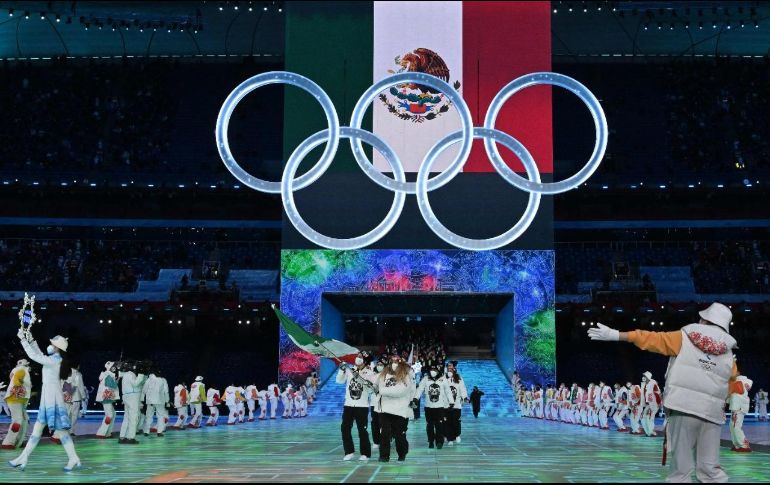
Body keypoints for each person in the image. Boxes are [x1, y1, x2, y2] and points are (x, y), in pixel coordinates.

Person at [588, 302, 738, 483]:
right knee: (710, 468)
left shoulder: (686, 337)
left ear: (704, 320)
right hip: (712, 414)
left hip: (684, 408)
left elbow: (651, 339)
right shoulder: (728, 353)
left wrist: (617, 335)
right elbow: (731, 384)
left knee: (681, 469)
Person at [8, 332, 80, 472]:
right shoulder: (53, 359)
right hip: (49, 397)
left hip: (52, 398)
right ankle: (23, 457)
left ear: (57, 348)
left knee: (57, 432)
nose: (50, 345)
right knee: (41, 430)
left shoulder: (55, 360)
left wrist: (23, 340)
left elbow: (35, 356)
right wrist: (30, 338)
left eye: (53, 344)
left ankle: (73, 458)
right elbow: (39, 353)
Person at [375, 357, 415, 462]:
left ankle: (402, 454)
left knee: (399, 434)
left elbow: (400, 391)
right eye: (392, 362)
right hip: (384, 409)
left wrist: (382, 391)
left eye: (396, 362)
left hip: (400, 410)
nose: (394, 364)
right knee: (384, 434)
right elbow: (375, 385)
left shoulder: (406, 376)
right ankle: (384, 456)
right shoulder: (383, 375)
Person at [337, 351, 375, 461]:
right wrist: (342, 370)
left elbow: (370, 390)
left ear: (365, 360)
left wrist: (360, 378)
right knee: (345, 428)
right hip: (348, 405)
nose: (358, 358)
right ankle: (349, 451)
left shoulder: (369, 373)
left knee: (362, 430)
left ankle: (365, 453)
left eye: (360, 357)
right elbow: (339, 381)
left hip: (362, 406)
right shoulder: (349, 370)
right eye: (357, 356)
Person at [414, 365, 453, 449]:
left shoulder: (443, 379)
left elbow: (448, 391)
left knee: (439, 425)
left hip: (440, 407)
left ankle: (439, 442)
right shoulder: (425, 378)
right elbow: (420, 389)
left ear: (438, 370)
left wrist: (451, 402)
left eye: (434, 369)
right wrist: (416, 398)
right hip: (428, 407)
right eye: (431, 369)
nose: (433, 371)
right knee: (430, 425)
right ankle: (431, 441)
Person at [1, 359, 31, 449]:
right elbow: (16, 381)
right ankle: (8, 442)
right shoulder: (21, 370)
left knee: (25, 420)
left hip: (19, 399)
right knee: (17, 420)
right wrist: (19, 384)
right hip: (15, 399)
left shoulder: (16, 370)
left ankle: (18, 441)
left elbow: (13, 379)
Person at [118, 363, 146, 444]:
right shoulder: (131, 374)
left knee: (127, 418)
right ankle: (130, 438)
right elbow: (135, 384)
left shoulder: (125, 375)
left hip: (126, 397)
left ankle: (122, 436)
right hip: (132, 397)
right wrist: (141, 375)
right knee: (133, 417)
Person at [95, 361, 120, 439]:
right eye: (114, 366)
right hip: (107, 397)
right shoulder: (108, 375)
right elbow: (113, 386)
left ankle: (108, 432)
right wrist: (118, 378)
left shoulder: (107, 374)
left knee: (113, 414)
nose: (115, 368)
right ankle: (101, 433)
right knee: (109, 415)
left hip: (107, 397)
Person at [445, 362, 467, 445]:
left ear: (454, 368)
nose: (449, 368)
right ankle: (450, 439)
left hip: (457, 404)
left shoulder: (459, 378)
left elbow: (462, 388)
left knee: (456, 421)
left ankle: (457, 435)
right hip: (446, 405)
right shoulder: (444, 378)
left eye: (451, 367)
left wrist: (464, 397)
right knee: (448, 422)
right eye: (448, 367)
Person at [141, 370, 169, 437]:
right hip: (160, 401)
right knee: (160, 416)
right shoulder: (163, 380)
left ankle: (146, 431)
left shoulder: (148, 380)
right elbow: (166, 391)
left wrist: (142, 400)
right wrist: (167, 401)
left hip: (150, 401)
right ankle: (159, 432)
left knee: (149, 416)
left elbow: (144, 390)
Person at [729, 375, 753, 452]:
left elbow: (746, 387)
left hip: (739, 407)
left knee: (736, 426)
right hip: (735, 406)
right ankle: (737, 445)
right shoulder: (733, 381)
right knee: (732, 426)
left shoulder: (743, 380)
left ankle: (744, 445)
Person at [62, 364, 87, 436]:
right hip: (75, 397)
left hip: (66, 397)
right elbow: (80, 385)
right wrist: (83, 396)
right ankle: (71, 431)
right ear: (77, 366)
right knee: (74, 415)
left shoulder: (65, 372)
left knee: (66, 414)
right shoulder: (78, 374)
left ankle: (64, 430)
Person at [370, 359, 386, 450]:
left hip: (384, 403)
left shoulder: (387, 376)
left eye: (381, 364)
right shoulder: (372, 375)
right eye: (378, 364)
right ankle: (376, 441)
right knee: (375, 423)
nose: (379, 365)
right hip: (374, 403)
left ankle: (386, 439)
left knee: (384, 423)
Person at [641, 371, 661, 437]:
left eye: (645, 376)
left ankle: (651, 431)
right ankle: (648, 431)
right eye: (643, 376)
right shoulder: (644, 384)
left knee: (650, 417)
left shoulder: (653, 383)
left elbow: (657, 393)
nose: (643, 377)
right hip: (648, 404)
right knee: (643, 417)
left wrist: (658, 402)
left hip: (654, 403)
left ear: (648, 377)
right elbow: (644, 395)